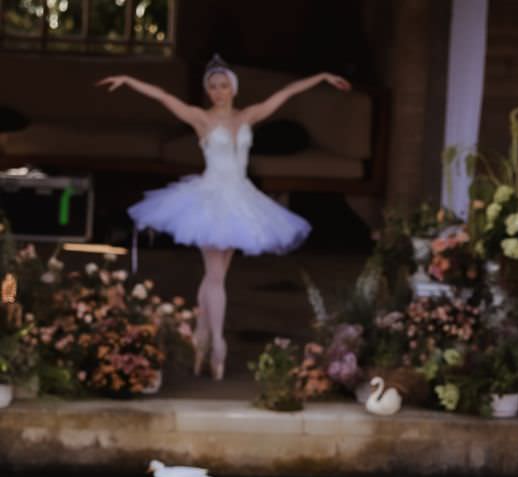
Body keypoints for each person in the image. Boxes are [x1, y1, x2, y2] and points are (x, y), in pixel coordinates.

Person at [98, 55, 350, 380]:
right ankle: (218, 343)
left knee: (214, 276)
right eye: (213, 87)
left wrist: (321, 75)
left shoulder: (248, 115)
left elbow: (285, 94)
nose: (219, 91)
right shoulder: (200, 118)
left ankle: (201, 342)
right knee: (216, 275)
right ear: (208, 91)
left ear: (233, 87)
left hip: (241, 199)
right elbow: (164, 97)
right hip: (208, 199)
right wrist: (129, 80)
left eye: (224, 85)